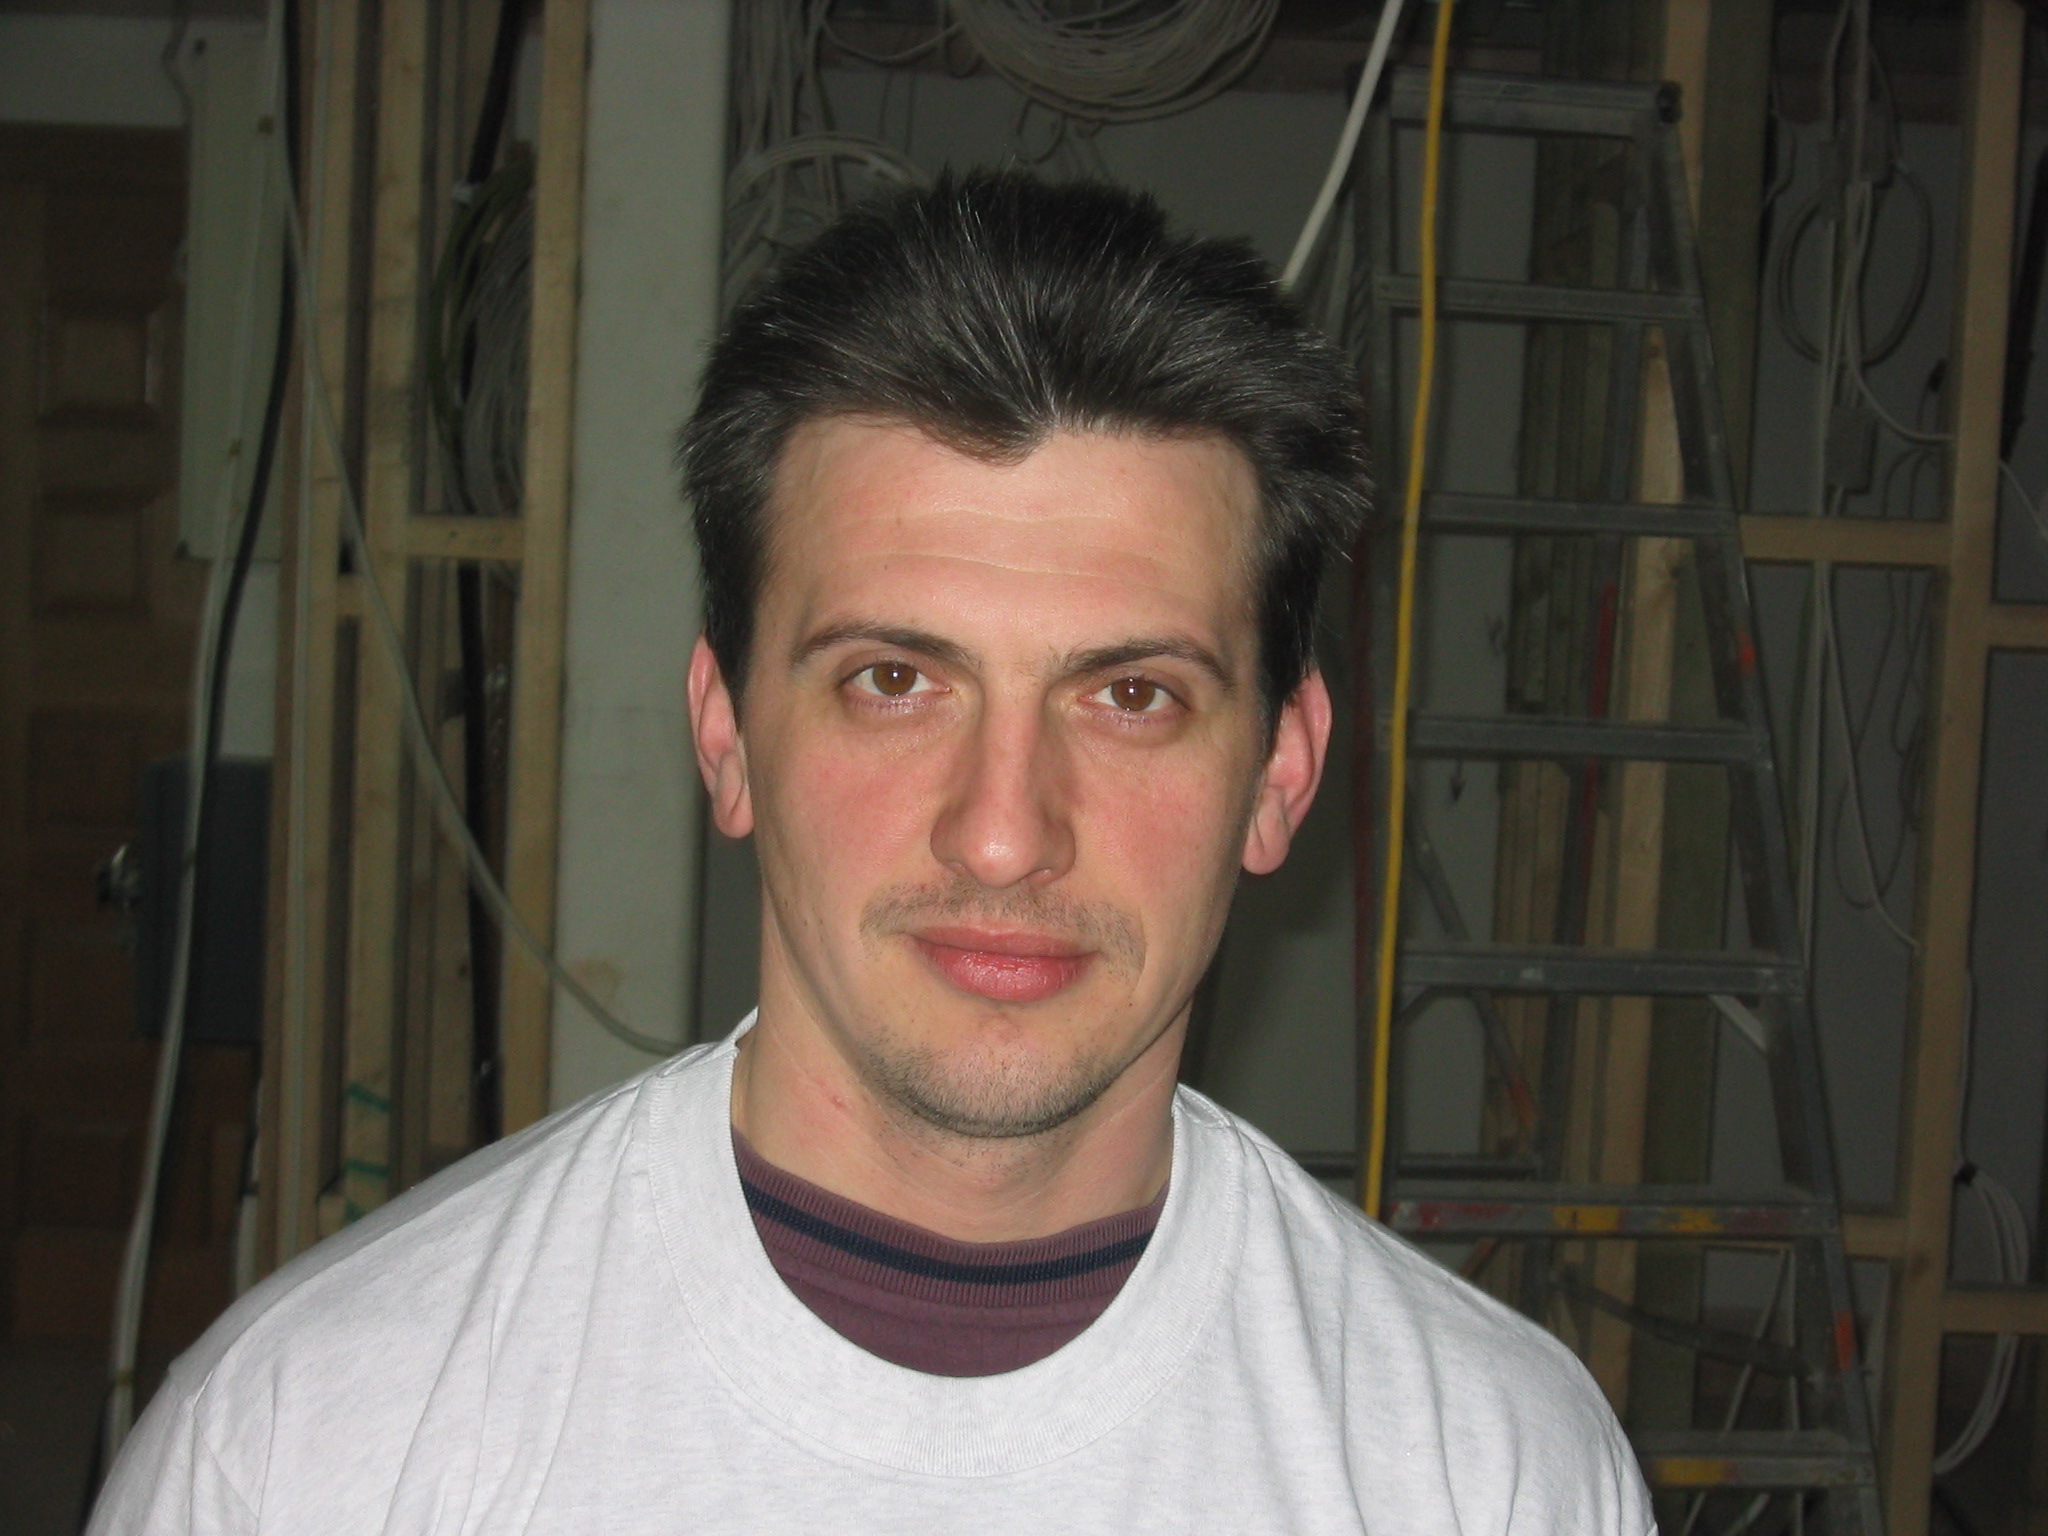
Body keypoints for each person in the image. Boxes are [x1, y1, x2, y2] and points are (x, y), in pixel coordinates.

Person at [91, 171, 1653, 1534]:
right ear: (725, 735)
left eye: (1131, 696)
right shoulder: (315, 1443)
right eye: (894, 681)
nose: (1004, 832)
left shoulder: (1487, 1471)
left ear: (1280, 776)